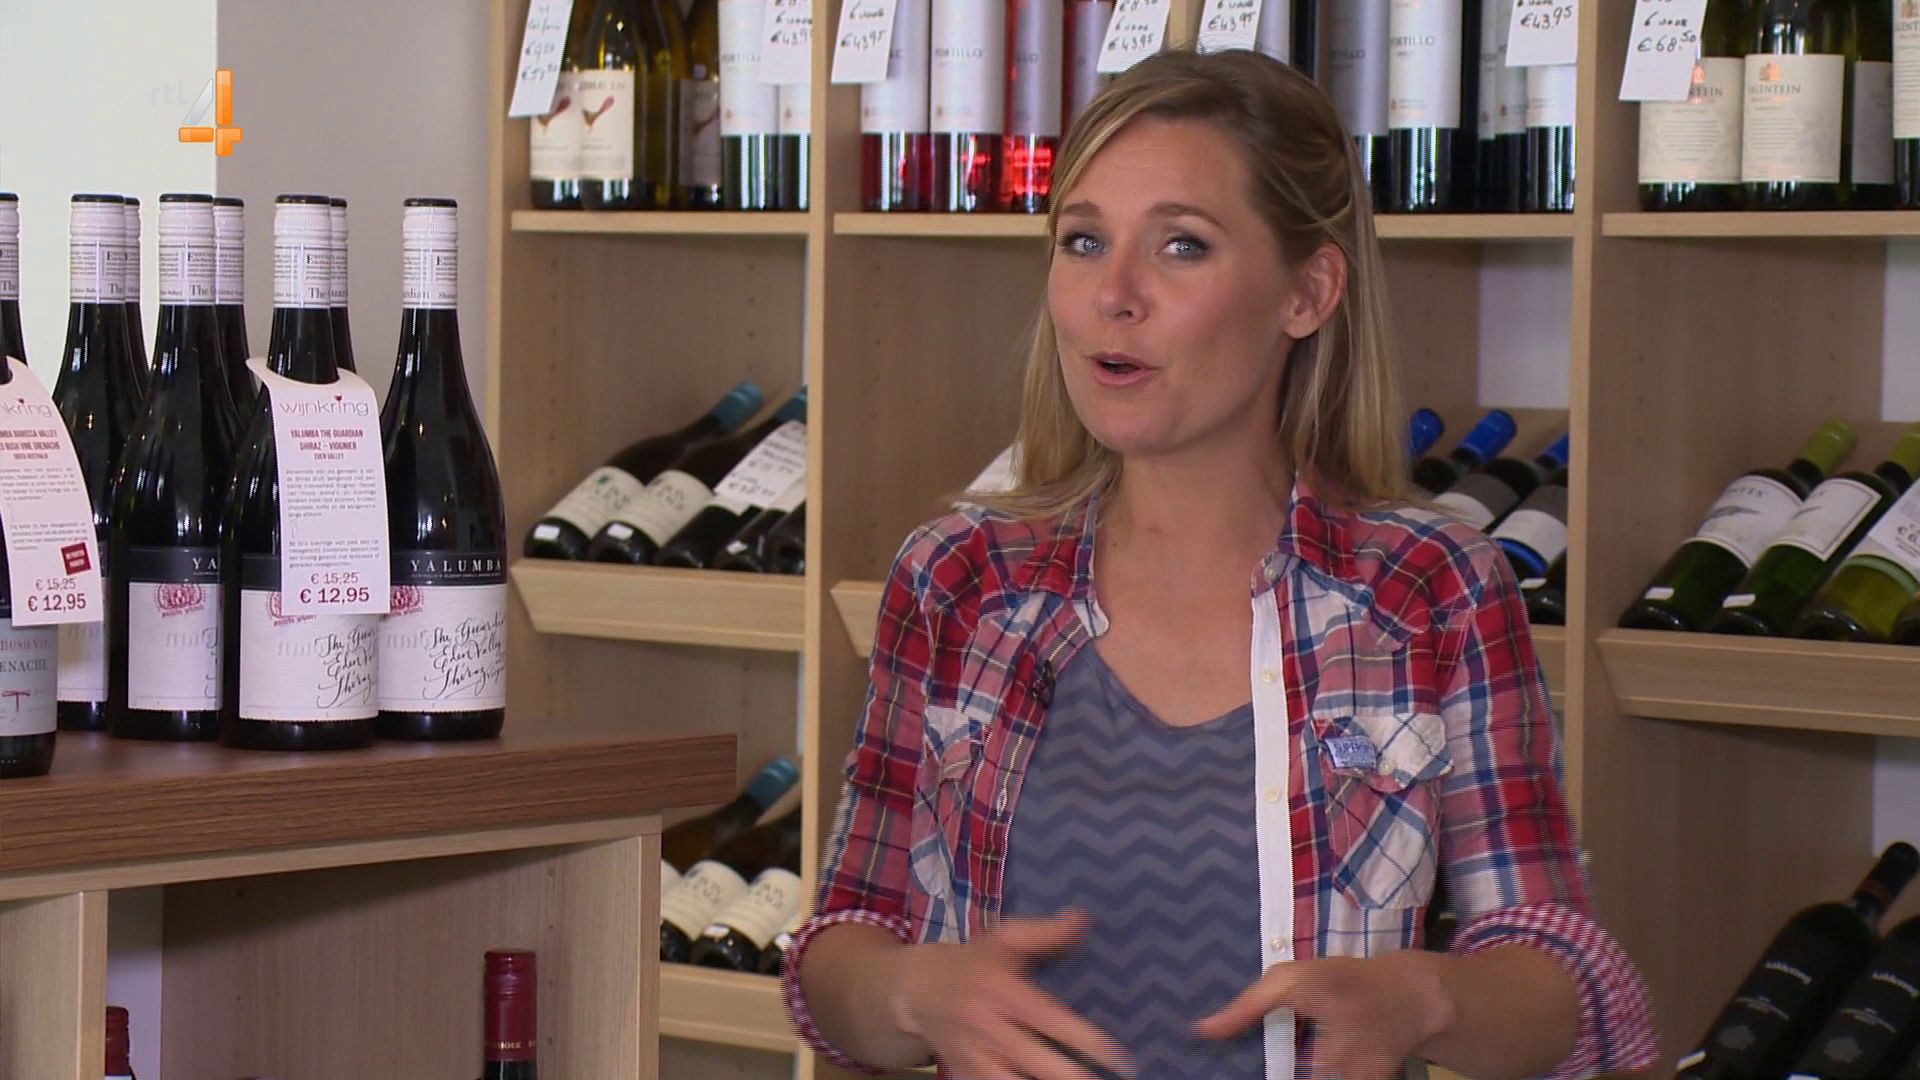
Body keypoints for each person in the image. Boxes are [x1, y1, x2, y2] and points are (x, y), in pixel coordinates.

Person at [781, 48, 1657, 1080]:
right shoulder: (958, 579)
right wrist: (910, 992)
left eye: (1181, 246)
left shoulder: (1431, 589)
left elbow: (1559, 981)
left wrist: (1426, 1000)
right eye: (1083, 241)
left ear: (1308, 292)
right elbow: (843, 940)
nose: (1113, 295)